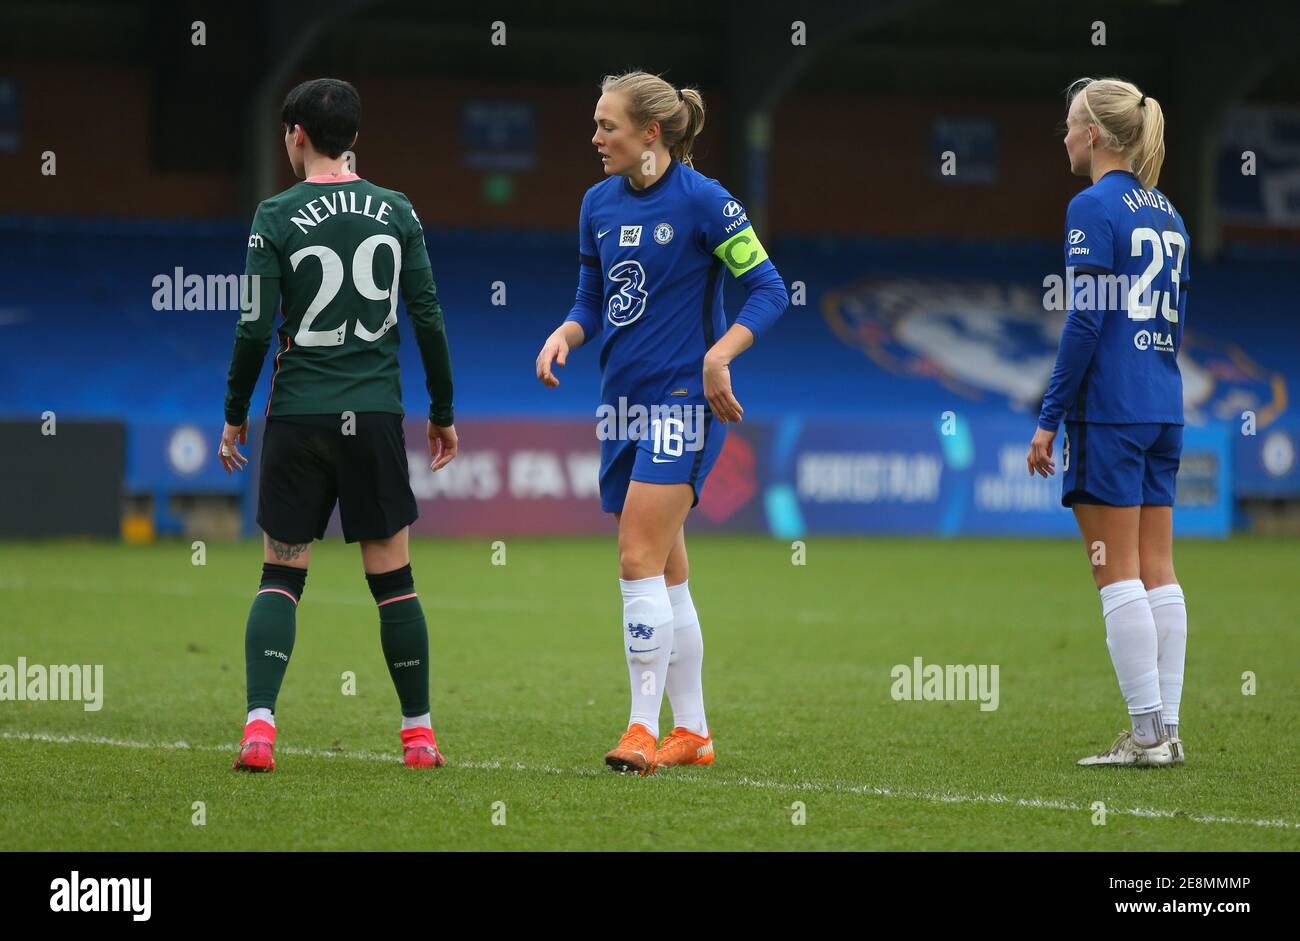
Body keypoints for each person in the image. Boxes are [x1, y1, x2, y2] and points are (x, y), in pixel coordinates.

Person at [536, 72, 789, 774]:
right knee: (668, 574)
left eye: (607, 126)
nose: (595, 138)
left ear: (651, 134)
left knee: (635, 556)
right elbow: (592, 299)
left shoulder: (705, 201)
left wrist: (720, 353)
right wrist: (565, 332)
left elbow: (768, 288)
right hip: (620, 404)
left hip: (683, 401)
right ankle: (695, 732)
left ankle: (642, 728)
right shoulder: (596, 203)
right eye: (595, 124)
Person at [220, 78, 458, 771]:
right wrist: (442, 412)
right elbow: (429, 318)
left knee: (280, 573)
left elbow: (254, 326)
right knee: (394, 578)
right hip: (375, 414)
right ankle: (419, 735)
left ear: (297, 135)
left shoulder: (275, 215)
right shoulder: (396, 209)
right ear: (355, 138)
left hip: (297, 414)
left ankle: (259, 729)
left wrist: (235, 411)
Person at [1027, 77, 1190, 768]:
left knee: (1114, 572)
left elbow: (1086, 319)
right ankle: (1168, 729)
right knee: (1160, 569)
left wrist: (1049, 417)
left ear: (1094, 134)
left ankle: (1147, 733)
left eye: (1069, 124)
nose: (1063, 135)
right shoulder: (1170, 213)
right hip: (1163, 402)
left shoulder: (1091, 207)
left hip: (1113, 411)